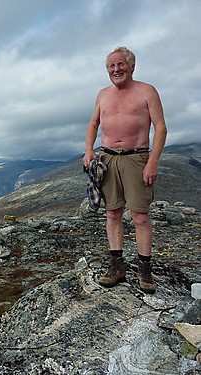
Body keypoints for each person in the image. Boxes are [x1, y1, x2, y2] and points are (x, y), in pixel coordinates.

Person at [83, 46, 167, 294]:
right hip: (107, 159)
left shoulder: (147, 92)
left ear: (132, 66)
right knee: (113, 213)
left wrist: (152, 161)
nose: (116, 69)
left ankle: (144, 270)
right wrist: (89, 149)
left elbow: (161, 128)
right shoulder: (102, 95)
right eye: (111, 65)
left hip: (136, 157)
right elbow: (93, 123)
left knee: (140, 216)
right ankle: (117, 266)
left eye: (121, 64)